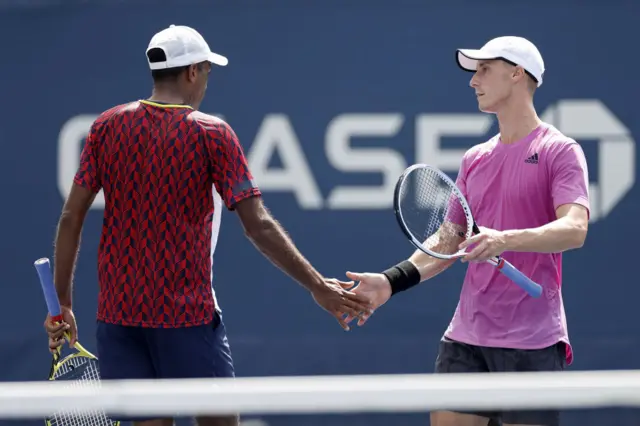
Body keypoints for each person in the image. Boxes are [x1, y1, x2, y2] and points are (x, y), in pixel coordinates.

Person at [43, 24, 372, 426]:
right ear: (193, 72)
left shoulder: (106, 126)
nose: (206, 83)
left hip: (118, 319)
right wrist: (318, 285)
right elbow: (259, 226)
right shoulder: (211, 133)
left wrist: (63, 304)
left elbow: (70, 216)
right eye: (208, 73)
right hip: (187, 319)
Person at [344, 36, 590, 426]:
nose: (473, 81)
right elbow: (449, 238)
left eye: (483, 70)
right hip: (467, 337)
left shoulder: (560, 151)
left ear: (516, 73)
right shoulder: (475, 159)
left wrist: (503, 239)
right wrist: (391, 282)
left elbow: (575, 229)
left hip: (533, 341)